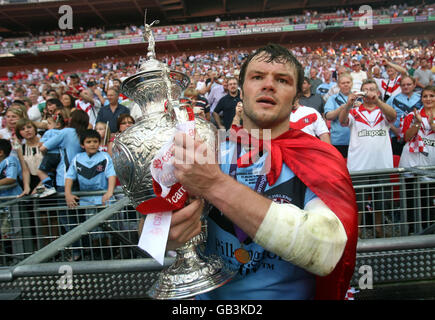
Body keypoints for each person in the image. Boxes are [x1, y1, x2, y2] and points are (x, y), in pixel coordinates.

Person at [162, 44, 358, 300]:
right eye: (257, 77)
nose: (268, 85)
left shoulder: (319, 156)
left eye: (282, 80)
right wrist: (164, 233)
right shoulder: (205, 149)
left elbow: (326, 249)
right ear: (241, 90)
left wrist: (215, 186)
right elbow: (156, 230)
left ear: (296, 97)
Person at [339, 79, 397, 237]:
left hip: (382, 165)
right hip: (359, 167)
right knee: (358, 203)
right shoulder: (354, 112)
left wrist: (377, 101)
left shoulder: (383, 111)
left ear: (377, 92)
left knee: (381, 202)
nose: (369, 92)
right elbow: (342, 121)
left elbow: (393, 116)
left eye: (372, 89)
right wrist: (348, 104)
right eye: (365, 90)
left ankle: (378, 230)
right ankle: (357, 233)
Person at [386, 76, 423, 156]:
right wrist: (393, 128)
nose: (406, 87)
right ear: (400, 86)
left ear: (414, 85)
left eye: (409, 84)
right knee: (398, 164)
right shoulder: (393, 99)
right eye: (403, 85)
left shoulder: (421, 99)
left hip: (418, 136)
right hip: (397, 137)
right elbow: (383, 116)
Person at [324, 73, 353, 158]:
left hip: (356, 140)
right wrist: (342, 107)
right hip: (339, 140)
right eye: (343, 83)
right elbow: (328, 116)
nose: (346, 85)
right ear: (338, 85)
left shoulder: (358, 98)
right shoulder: (333, 98)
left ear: (352, 83)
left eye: (348, 82)